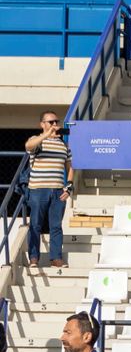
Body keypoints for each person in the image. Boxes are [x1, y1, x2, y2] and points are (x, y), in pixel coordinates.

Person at [23, 109, 72, 269]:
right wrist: (47, 134)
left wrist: (69, 186)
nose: (55, 124)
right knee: (35, 224)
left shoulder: (64, 144)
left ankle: (56, 258)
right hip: (38, 190)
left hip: (58, 191)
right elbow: (28, 146)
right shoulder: (37, 141)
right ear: (42, 124)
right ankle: (34, 258)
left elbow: (70, 167)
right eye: (51, 122)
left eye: (56, 122)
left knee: (56, 226)